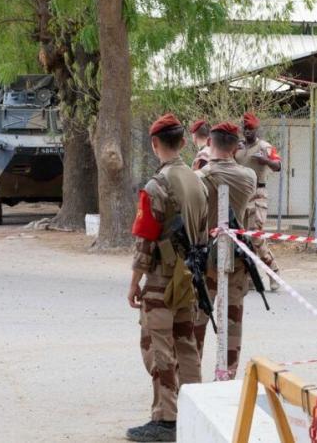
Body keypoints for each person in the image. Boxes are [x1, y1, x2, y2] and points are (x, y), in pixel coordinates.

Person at [126, 113, 208, 442]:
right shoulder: (197, 181)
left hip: (163, 276)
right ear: (184, 143)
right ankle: (194, 412)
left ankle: (166, 419)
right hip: (190, 274)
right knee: (186, 343)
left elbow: (145, 241)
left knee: (158, 345)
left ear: (155, 144)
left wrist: (135, 282)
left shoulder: (156, 185)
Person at [193, 122, 257, 379]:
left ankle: (190, 373)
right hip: (237, 254)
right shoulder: (248, 177)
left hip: (205, 253)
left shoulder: (199, 177)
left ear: (209, 142)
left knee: (197, 317)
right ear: (235, 146)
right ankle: (227, 374)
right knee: (232, 318)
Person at [234, 111, 282, 291]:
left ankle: (273, 271)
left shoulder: (264, 147)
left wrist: (266, 160)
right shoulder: (237, 148)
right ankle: (251, 278)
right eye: (245, 129)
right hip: (240, 196)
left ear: (257, 129)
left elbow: (278, 166)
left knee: (255, 235)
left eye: (251, 129)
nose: (247, 132)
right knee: (242, 238)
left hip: (258, 195)